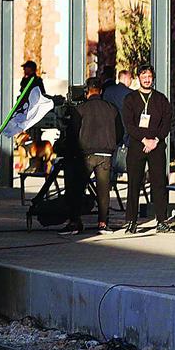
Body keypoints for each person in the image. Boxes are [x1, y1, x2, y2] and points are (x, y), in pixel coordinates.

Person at [64, 77, 123, 234]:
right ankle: (103, 223)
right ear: (101, 91)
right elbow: (120, 132)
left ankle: (75, 222)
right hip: (106, 154)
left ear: (87, 91)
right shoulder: (112, 109)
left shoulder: (80, 109)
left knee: (78, 189)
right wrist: (110, 144)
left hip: (86, 154)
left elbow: (72, 133)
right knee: (103, 191)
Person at [122, 64, 175, 233]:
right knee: (134, 184)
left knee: (159, 184)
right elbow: (128, 124)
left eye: (149, 76)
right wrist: (144, 139)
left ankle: (161, 221)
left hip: (157, 146)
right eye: (143, 76)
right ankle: (131, 221)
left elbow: (166, 122)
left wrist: (156, 140)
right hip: (137, 145)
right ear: (138, 78)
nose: (146, 79)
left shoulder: (161, 99)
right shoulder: (130, 99)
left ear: (153, 78)